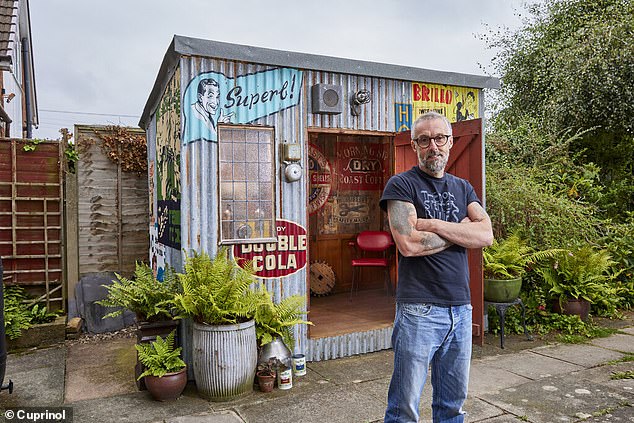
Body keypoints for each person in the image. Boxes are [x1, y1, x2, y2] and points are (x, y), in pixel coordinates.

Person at [380, 111, 493, 423]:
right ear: (416, 146)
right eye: (424, 140)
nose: (433, 146)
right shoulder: (401, 185)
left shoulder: (463, 187)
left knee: (452, 407)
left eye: (440, 138)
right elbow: (410, 244)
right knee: (404, 408)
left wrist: (434, 225)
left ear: (450, 142)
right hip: (419, 310)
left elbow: (485, 234)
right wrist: (459, 231)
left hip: (460, 308)